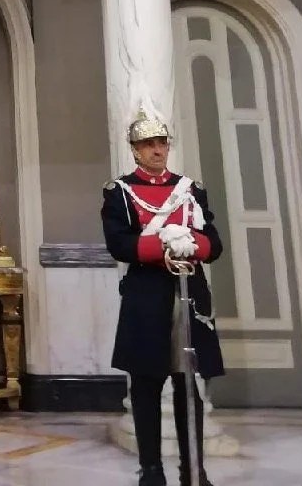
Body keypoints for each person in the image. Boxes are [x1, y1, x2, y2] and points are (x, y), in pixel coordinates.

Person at [101, 108, 224, 486]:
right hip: (146, 296)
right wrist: (166, 246)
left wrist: (191, 244)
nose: (157, 150)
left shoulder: (191, 189)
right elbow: (120, 244)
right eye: (148, 145)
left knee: (189, 388)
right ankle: (151, 470)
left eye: (161, 143)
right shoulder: (119, 192)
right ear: (135, 151)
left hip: (189, 293)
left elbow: (214, 244)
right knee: (146, 386)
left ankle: (194, 469)